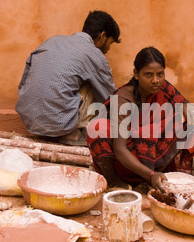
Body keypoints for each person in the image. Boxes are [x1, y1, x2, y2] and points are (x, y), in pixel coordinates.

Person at [87, 47, 194, 191]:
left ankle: (160, 175)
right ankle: (114, 182)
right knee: (98, 126)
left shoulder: (165, 88)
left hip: (156, 159)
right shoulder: (124, 99)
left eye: (160, 74)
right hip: (128, 163)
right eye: (148, 75)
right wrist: (150, 175)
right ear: (136, 74)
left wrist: (184, 110)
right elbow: (120, 149)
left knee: (187, 121)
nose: (156, 80)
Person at [15, 10, 121, 146]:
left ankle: (50, 130)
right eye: (110, 43)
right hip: (59, 123)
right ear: (102, 36)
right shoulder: (94, 54)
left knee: (66, 78)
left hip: (29, 119)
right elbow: (110, 99)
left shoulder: (51, 42)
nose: (108, 49)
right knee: (96, 81)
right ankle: (73, 134)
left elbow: (25, 79)